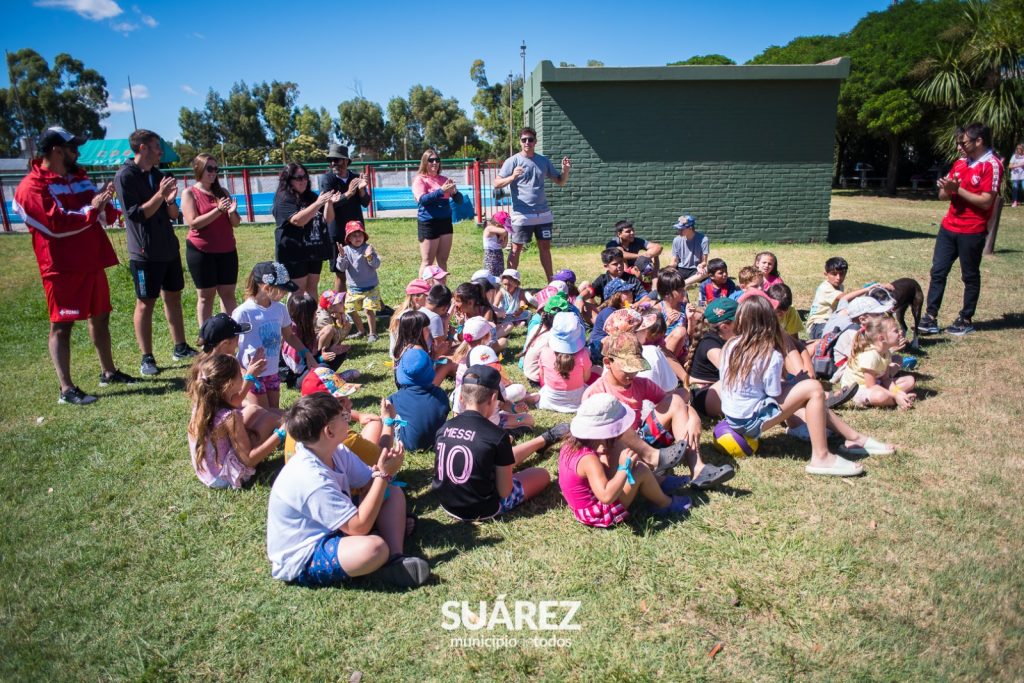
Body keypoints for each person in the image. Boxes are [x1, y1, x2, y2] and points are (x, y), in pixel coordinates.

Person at [13, 125, 138, 404]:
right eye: (72, 148)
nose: (77, 152)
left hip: (91, 260)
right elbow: (55, 224)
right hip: (61, 267)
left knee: (101, 316)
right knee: (63, 324)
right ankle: (66, 388)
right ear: (56, 150)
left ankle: (108, 372)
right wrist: (94, 208)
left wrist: (105, 205)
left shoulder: (79, 178)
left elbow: (99, 215)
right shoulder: (32, 186)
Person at [267, 393, 430, 588]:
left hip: (332, 527)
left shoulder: (336, 451)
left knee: (392, 493)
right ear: (329, 431)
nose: (348, 422)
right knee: (374, 548)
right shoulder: (311, 477)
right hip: (306, 552)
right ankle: (376, 560)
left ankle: (395, 558)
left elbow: (369, 482)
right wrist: (384, 475)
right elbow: (358, 526)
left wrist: (381, 474)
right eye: (344, 418)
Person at [718, 296, 889, 477]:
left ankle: (855, 438)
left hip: (733, 418)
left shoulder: (731, 345)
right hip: (749, 423)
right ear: (770, 321)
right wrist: (794, 385)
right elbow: (773, 392)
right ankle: (821, 457)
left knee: (804, 388)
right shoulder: (770, 354)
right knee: (813, 389)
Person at [583, 333, 735, 489]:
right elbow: (592, 442)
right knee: (617, 422)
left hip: (641, 439)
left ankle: (697, 469)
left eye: (635, 368)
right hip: (616, 452)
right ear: (608, 362)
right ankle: (653, 469)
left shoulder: (641, 384)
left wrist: (694, 417)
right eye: (626, 368)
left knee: (676, 400)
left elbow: (674, 404)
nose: (632, 374)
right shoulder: (595, 393)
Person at [114, 128, 197, 377]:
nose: (161, 151)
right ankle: (147, 357)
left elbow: (173, 216)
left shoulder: (160, 175)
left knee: (173, 296)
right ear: (142, 148)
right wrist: (160, 195)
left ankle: (180, 346)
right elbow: (137, 215)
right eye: (156, 146)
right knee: (145, 303)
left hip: (168, 248)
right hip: (144, 253)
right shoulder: (125, 176)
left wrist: (170, 200)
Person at [431, 365, 551, 522]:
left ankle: (541, 441)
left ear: (461, 398)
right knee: (542, 475)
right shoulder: (497, 436)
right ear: (494, 399)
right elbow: (505, 491)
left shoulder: (444, 428)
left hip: (447, 503)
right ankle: (542, 441)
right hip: (483, 508)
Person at [558, 394, 693, 527]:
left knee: (617, 446)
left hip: (585, 505)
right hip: (598, 514)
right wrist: (623, 467)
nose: (620, 433)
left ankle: (657, 482)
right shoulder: (589, 460)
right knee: (641, 470)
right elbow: (606, 497)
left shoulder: (571, 446)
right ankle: (664, 503)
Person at [920, 123, 1004, 336]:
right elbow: (943, 196)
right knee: (938, 271)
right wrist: (946, 189)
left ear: (979, 141)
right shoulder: (960, 164)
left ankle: (965, 318)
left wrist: (958, 189)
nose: (959, 147)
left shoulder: (992, 165)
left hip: (972, 230)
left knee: (969, 275)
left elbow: (986, 202)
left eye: (963, 142)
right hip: (949, 227)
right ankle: (930, 316)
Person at [186, 353, 284, 489]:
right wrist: (281, 433)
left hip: (207, 472)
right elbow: (249, 460)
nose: (243, 375)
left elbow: (235, 402)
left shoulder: (204, 402)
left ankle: (293, 418)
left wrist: (250, 376)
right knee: (269, 420)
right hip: (223, 478)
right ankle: (297, 431)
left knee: (254, 409)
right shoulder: (230, 417)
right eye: (240, 373)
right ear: (229, 384)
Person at [233, 262, 317, 410]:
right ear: (266, 288)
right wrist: (245, 373)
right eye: (282, 290)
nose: (285, 293)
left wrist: (306, 353)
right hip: (252, 375)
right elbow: (231, 348)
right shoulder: (243, 313)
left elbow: (289, 336)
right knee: (261, 414)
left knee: (274, 411)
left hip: (272, 372)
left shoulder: (280, 309)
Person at [493, 126, 571, 282]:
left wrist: (565, 170)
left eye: (530, 139)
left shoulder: (543, 161)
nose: (527, 142)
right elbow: (496, 183)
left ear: (535, 141)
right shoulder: (512, 161)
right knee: (516, 249)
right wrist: (512, 177)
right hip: (522, 215)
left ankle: (551, 283)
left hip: (543, 214)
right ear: (520, 142)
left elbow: (560, 182)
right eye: (524, 140)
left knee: (545, 249)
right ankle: (509, 283)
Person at [180, 153, 240, 329]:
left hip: (227, 250)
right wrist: (218, 210)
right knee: (206, 296)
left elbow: (235, 223)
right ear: (199, 169)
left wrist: (232, 212)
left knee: (228, 294)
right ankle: (206, 336)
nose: (213, 172)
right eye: (209, 168)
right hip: (202, 252)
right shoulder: (189, 193)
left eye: (216, 169)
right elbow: (193, 223)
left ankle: (230, 332)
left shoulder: (223, 193)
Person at [272, 161, 339, 298]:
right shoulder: (284, 198)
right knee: (297, 290)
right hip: (293, 251)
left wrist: (329, 204)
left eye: (305, 177)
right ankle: (295, 319)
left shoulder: (311, 197)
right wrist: (318, 203)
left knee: (312, 287)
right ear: (288, 180)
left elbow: (328, 218)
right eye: (298, 178)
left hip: (313, 249)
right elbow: (297, 220)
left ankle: (311, 318)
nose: (303, 181)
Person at [319, 144, 370, 291]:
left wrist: (361, 190)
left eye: (338, 160)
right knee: (340, 272)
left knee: (361, 267)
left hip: (356, 231)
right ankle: (340, 307)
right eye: (332, 160)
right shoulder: (327, 179)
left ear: (346, 161)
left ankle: (365, 301)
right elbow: (328, 204)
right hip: (337, 231)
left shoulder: (355, 178)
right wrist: (348, 194)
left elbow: (365, 203)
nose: (334, 164)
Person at [840, 316, 917, 410]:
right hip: (857, 389)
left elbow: (886, 380)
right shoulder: (870, 356)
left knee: (910, 380)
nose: (900, 333)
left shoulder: (886, 352)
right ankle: (898, 400)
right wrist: (895, 396)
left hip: (876, 384)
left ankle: (900, 398)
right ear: (881, 338)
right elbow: (871, 386)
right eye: (895, 331)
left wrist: (898, 393)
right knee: (881, 396)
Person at [805, 257, 890, 339]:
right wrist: (867, 289)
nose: (838, 278)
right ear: (826, 274)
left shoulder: (840, 286)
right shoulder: (825, 288)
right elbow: (844, 298)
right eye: (834, 274)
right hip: (817, 326)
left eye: (841, 274)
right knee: (839, 337)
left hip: (831, 321)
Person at [388, 347, 450, 452]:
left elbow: (387, 414)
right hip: (436, 440)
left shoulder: (395, 398)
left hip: (407, 444)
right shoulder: (441, 394)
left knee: (390, 419)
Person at [412, 148, 464, 271]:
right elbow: (423, 200)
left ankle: (442, 289)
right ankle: (423, 290)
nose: (434, 163)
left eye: (437, 160)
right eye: (431, 160)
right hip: (429, 223)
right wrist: (441, 191)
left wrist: (455, 192)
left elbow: (459, 201)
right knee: (427, 262)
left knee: (442, 260)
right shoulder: (420, 179)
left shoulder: (444, 179)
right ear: (425, 162)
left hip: (445, 222)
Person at [335, 221, 382, 343]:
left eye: (360, 235)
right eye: (354, 235)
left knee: (368, 310)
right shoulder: (345, 250)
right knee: (350, 309)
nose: (357, 238)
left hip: (370, 287)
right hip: (354, 288)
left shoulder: (368, 248)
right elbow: (341, 268)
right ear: (348, 238)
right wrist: (341, 256)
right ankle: (361, 331)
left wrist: (370, 256)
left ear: (364, 236)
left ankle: (373, 333)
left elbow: (376, 265)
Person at [538, 312, 592, 412]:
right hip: (577, 399)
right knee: (597, 370)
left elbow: (542, 376)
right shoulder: (583, 354)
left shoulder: (545, 352)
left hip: (551, 398)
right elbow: (586, 378)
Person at [669, 214, 709, 281]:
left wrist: (700, 266)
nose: (679, 231)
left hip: (695, 269)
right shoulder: (676, 240)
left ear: (690, 228)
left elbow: (704, 262)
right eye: (678, 229)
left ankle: (684, 283)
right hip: (680, 269)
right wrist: (668, 268)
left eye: (682, 229)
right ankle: (688, 281)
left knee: (707, 271)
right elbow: (674, 261)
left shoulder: (704, 240)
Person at [482, 211, 512, 277]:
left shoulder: (499, 233)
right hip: (490, 255)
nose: (504, 227)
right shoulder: (489, 228)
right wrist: (504, 233)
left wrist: (504, 236)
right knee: (490, 273)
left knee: (500, 273)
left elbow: (504, 246)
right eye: (503, 226)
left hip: (499, 254)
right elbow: (504, 231)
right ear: (497, 224)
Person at [1010, 143, 1024, 208]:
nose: (1018, 150)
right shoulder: (1014, 156)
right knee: (1015, 188)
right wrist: (1019, 165)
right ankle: (1014, 202)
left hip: (1023, 175)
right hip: (1015, 175)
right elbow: (1010, 166)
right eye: (1017, 148)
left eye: (1020, 149)